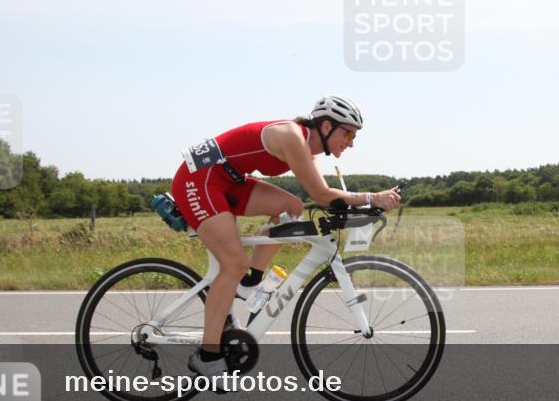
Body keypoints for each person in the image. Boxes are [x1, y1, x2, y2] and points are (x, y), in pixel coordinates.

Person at [170, 95, 402, 379]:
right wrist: (372, 196)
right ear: (327, 126)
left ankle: (249, 282)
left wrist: (367, 203)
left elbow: (328, 196)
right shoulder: (292, 137)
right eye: (349, 133)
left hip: (227, 180)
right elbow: (322, 195)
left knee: (291, 207)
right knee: (233, 263)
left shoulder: (307, 149)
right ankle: (207, 356)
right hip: (200, 179)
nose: (351, 142)